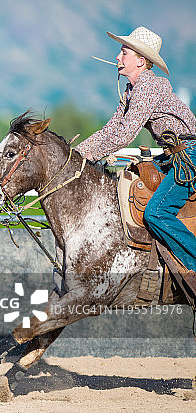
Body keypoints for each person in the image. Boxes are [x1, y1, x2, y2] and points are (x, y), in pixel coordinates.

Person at [75, 26, 196, 272]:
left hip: (189, 154)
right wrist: (77, 152)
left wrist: (90, 155)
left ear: (141, 61)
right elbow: (111, 129)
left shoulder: (147, 86)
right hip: (175, 155)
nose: (117, 57)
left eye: (124, 52)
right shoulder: (131, 90)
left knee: (156, 212)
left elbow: (126, 133)